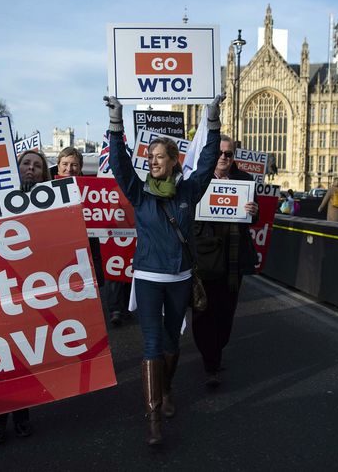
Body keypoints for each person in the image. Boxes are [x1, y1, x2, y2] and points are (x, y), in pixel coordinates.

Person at [103, 93, 224, 446]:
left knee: (173, 340)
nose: (153, 161)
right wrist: (116, 122)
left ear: (173, 161)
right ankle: (153, 418)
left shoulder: (189, 191)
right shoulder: (140, 193)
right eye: (150, 156)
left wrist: (213, 120)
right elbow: (121, 164)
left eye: (159, 157)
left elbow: (207, 161)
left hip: (180, 279)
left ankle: (167, 387)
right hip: (148, 278)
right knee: (152, 343)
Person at [0, 149, 48, 445]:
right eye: (26, 163)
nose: (31, 169)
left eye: (37, 166)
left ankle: (22, 415)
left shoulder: (54, 203)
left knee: (23, 357)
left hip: (34, 289)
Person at [192, 135, 259, 388]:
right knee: (203, 311)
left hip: (233, 257)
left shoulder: (245, 181)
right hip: (205, 254)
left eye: (228, 154)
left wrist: (254, 211)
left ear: (234, 157)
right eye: (220, 152)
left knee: (226, 311)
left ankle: (216, 350)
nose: (223, 157)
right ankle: (210, 361)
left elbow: (254, 217)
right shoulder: (198, 179)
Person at [53, 146, 107, 309]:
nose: (69, 169)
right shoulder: (46, 188)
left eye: (74, 165)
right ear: (58, 165)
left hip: (86, 253)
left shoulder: (92, 190)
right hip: (59, 255)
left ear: (80, 167)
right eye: (65, 164)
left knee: (87, 306)